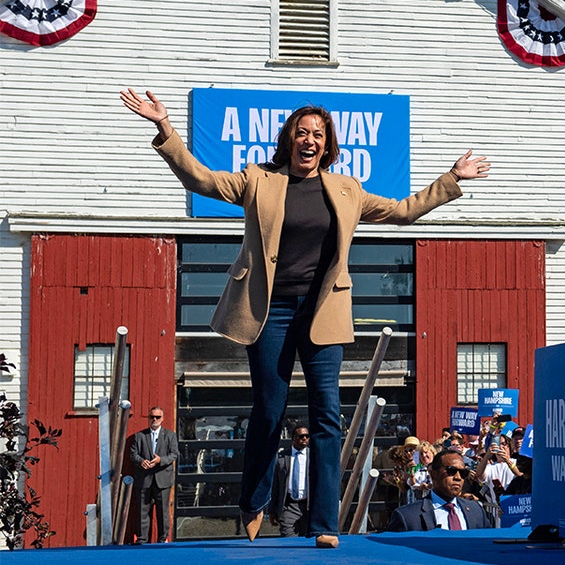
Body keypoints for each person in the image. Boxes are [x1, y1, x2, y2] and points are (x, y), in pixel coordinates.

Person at [121, 89, 489, 548]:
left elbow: (402, 212)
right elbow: (202, 181)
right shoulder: (260, 180)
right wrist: (166, 129)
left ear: (328, 144)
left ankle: (323, 523)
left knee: (327, 418)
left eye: (318, 133)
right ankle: (254, 502)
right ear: (289, 139)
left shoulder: (346, 190)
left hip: (323, 313)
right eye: (302, 132)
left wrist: (452, 178)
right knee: (269, 410)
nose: (309, 139)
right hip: (269, 311)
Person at [385, 450, 491, 531]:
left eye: (463, 473)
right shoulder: (407, 517)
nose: (458, 477)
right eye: (451, 471)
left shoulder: (476, 511)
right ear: (433, 474)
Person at [130, 406, 178, 543]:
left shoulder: (170, 435)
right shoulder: (139, 436)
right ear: (148, 418)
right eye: (152, 417)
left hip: (162, 479)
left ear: (162, 419)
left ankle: (163, 539)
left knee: (163, 512)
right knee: (142, 512)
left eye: (157, 417)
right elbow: (133, 454)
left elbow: (174, 454)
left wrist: (160, 460)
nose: (154, 419)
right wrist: (141, 461)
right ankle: (142, 539)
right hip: (144, 479)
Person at [270, 425, 311, 537]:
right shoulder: (282, 457)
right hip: (289, 506)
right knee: (288, 539)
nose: (305, 438)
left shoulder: (314, 457)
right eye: (301, 436)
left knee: (308, 542)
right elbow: (275, 485)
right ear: (293, 438)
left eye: (307, 436)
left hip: (309, 507)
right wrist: (272, 510)